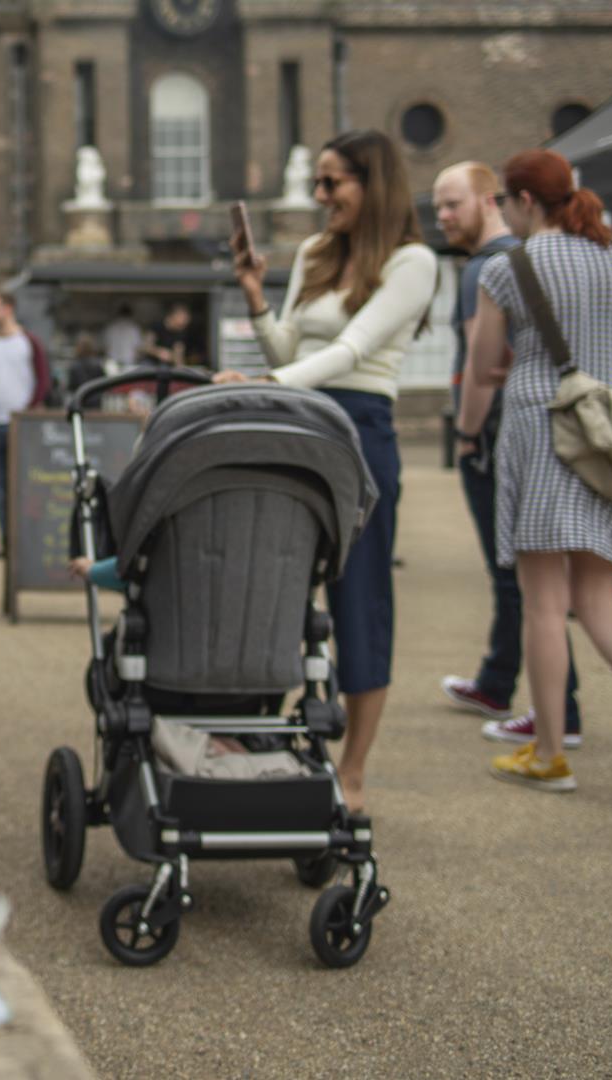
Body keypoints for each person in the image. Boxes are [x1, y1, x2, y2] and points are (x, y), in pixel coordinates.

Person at [459, 149, 612, 801]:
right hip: (610, 433)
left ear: (524, 202)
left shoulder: (509, 266)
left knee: (544, 603)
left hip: (541, 427)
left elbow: (482, 366)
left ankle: (551, 754)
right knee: (598, 596)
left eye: (506, 202)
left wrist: (518, 362)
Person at [220, 129, 437, 813]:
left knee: (360, 596)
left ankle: (354, 771)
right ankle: (258, 731)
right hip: (295, 423)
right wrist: (256, 296)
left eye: (333, 182)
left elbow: (353, 348)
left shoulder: (413, 262)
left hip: (359, 430)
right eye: (318, 181)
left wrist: (266, 380)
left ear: (373, 185)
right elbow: (290, 339)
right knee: (274, 578)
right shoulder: (314, 251)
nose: (319, 197)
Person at [432, 161, 584, 747]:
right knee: (520, 579)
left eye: (453, 204)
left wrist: (468, 434)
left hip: (497, 438)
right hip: (522, 433)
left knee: (522, 581)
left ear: (490, 200)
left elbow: (481, 365)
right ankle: (498, 680)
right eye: (440, 206)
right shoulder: (513, 261)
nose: (443, 216)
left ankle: (559, 711)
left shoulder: (486, 270)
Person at [0, 291, 50, 557]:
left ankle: (25, 542)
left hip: (21, 425)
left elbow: (43, 381)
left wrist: (28, 412)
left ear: (9, 308)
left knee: (23, 487)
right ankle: (7, 542)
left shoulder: (29, 342)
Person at [141, 301, 202, 367]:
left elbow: (178, 354)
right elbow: (145, 347)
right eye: (183, 319)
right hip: (150, 363)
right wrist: (159, 352)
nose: (185, 323)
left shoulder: (181, 332)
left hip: (168, 366)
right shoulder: (156, 326)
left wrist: (182, 368)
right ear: (174, 316)